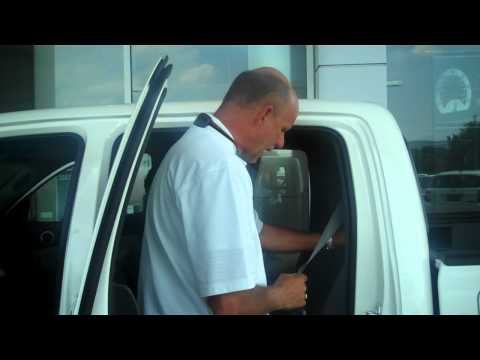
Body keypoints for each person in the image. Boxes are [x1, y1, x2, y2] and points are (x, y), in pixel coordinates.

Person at [137, 67, 343, 315]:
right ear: (265, 113)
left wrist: (328, 241)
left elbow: (258, 233)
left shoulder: (200, 150)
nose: (280, 143)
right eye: (282, 130)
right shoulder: (218, 166)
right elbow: (229, 306)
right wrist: (281, 295)